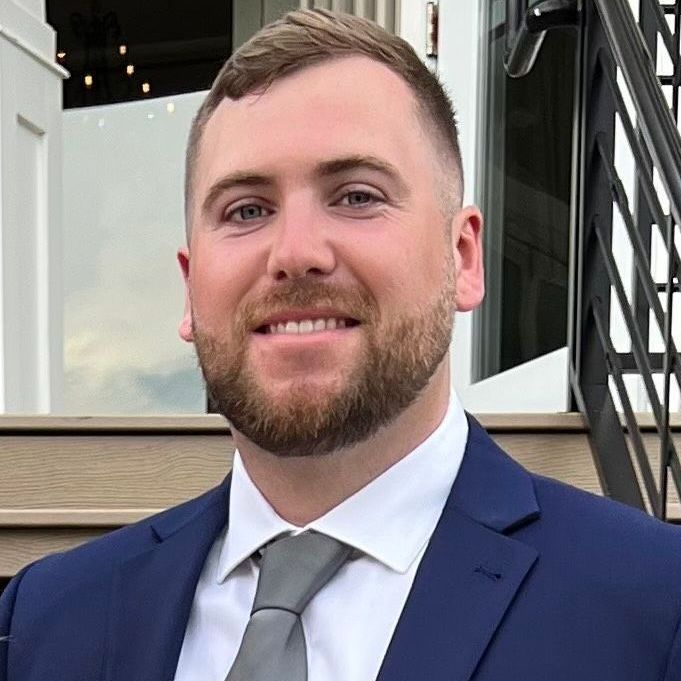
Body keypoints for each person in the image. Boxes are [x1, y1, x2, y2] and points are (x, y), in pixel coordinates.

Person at [2, 8, 681, 681]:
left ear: (463, 258)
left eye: (356, 196)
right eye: (247, 210)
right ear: (189, 288)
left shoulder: (653, 611)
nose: (295, 253)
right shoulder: (45, 620)